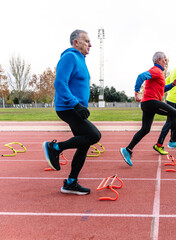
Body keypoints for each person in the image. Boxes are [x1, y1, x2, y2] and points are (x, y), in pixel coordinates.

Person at [42, 29, 101, 195]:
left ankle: (71, 182)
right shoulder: (70, 57)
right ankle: (55, 147)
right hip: (68, 108)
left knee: (83, 144)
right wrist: (75, 104)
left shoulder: (80, 59)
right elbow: (60, 83)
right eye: (86, 41)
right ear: (76, 42)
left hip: (76, 108)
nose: (90, 44)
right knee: (94, 135)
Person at [120, 51, 176, 166]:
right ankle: (173, 140)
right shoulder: (156, 70)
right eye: (165, 60)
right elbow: (141, 76)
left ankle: (128, 149)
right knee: (174, 113)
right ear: (159, 60)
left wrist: (173, 85)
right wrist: (136, 93)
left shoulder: (159, 73)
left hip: (147, 103)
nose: (166, 62)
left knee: (145, 129)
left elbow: (162, 89)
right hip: (150, 102)